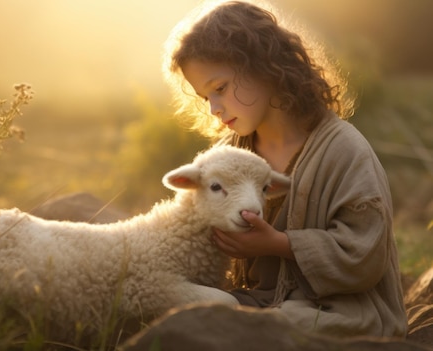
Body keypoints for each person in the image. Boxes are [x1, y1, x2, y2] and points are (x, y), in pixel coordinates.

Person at [162, 0, 407, 338]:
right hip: (253, 301)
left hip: (339, 309)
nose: (215, 108)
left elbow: (365, 256)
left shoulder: (345, 151)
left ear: (263, 65)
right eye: (206, 98)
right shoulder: (228, 156)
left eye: (219, 88)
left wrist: (277, 243)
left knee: (277, 328)